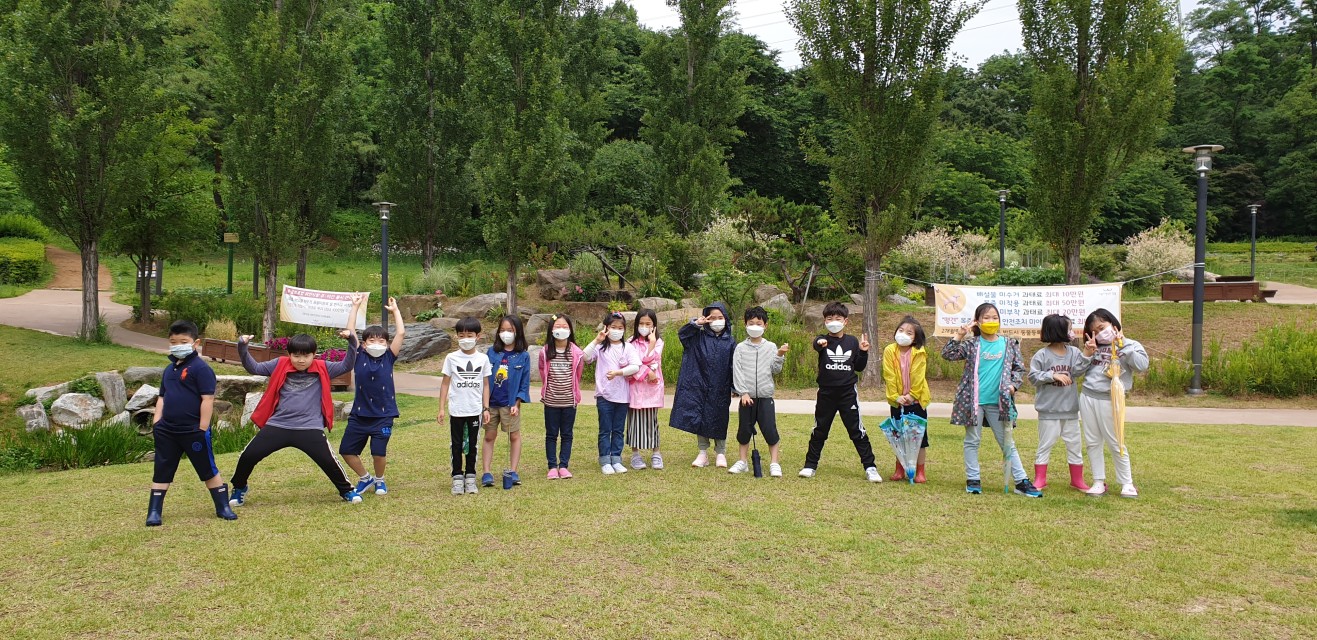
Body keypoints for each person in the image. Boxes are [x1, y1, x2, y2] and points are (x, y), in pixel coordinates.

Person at [229, 294, 366, 507]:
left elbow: (347, 365)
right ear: (289, 354)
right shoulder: (279, 364)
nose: (301, 360)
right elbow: (254, 368)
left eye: (306, 355)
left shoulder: (323, 367)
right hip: (279, 424)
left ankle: (346, 490)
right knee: (248, 456)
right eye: (296, 355)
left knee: (328, 461)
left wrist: (351, 341)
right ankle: (239, 488)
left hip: (309, 427)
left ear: (314, 354)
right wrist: (242, 348)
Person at [943, 302, 1043, 497]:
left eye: (994, 317)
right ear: (978, 322)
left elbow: (1018, 368)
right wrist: (960, 335)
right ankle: (973, 480)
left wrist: (1013, 385)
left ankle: (1021, 481)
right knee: (972, 440)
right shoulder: (972, 344)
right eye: (986, 318)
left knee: (1007, 442)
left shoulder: (1009, 344)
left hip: (999, 402)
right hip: (973, 402)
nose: (991, 321)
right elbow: (948, 354)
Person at [144, 320, 236, 526]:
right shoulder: (169, 370)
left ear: (195, 343)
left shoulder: (201, 369)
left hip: (193, 431)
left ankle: (223, 506)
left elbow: (207, 399)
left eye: (183, 341)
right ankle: (154, 511)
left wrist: (202, 428)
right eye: (173, 342)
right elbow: (162, 397)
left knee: (207, 468)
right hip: (167, 431)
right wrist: (157, 422)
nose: (178, 345)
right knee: (162, 468)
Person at [800, 301, 881, 482]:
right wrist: (820, 342)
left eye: (838, 318)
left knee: (857, 430)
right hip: (826, 393)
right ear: (824, 321)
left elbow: (858, 367)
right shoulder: (822, 339)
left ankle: (870, 467)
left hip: (847, 393)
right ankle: (810, 465)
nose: (833, 322)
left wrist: (863, 352)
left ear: (845, 321)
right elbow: (816, 344)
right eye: (829, 319)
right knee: (819, 430)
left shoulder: (852, 341)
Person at [1079, 308, 1148, 498]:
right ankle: (1098, 481)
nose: (1100, 333)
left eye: (1102, 327)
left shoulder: (1131, 344)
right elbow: (1076, 371)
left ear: (1113, 323)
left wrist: (1123, 346)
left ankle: (1127, 483)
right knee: (1092, 441)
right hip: (1088, 396)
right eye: (1095, 331)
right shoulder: (1093, 346)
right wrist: (1086, 353)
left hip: (1111, 399)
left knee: (1116, 441)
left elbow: (1142, 366)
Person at [340, 297, 405, 498]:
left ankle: (379, 480)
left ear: (387, 344)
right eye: (372, 340)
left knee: (378, 452)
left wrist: (395, 310)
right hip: (359, 415)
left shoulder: (389, 357)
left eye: (381, 341)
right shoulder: (359, 355)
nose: (377, 344)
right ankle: (365, 478)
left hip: (384, 415)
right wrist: (355, 306)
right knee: (346, 450)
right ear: (364, 343)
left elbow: (401, 333)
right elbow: (351, 331)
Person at [1028, 313, 1091, 491]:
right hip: (1049, 411)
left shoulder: (1074, 353)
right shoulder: (1041, 355)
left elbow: (1077, 371)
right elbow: (1033, 377)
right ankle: (1040, 479)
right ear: (1058, 331)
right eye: (1069, 329)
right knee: (1045, 444)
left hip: (1070, 411)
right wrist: (1052, 375)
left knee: (1074, 445)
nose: (1072, 332)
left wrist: (1086, 355)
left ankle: (1077, 479)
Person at [670, 302, 736, 468]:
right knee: (700, 417)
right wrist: (695, 324)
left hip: (721, 387)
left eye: (720, 317)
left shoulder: (730, 342)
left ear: (726, 319)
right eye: (712, 318)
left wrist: (735, 387)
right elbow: (683, 335)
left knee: (720, 418)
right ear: (706, 319)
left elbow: (735, 366)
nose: (716, 321)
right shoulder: (697, 337)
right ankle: (702, 453)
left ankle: (720, 452)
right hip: (699, 385)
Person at [729, 306, 788, 477]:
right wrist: (743, 392)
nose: (755, 326)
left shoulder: (770, 347)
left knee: (770, 429)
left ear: (765, 326)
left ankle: (774, 463)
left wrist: (779, 355)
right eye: (751, 323)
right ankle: (743, 461)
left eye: (758, 323)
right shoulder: (740, 348)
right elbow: (737, 371)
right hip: (746, 398)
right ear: (745, 324)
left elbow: (776, 370)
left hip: (765, 396)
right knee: (744, 430)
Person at [582, 312, 641, 475]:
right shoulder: (600, 347)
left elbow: (636, 366)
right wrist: (597, 340)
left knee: (618, 430)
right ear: (606, 328)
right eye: (613, 327)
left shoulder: (628, 347)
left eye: (620, 328)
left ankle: (616, 459)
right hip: (604, 396)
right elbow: (584, 357)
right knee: (605, 429)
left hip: (622, 396)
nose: (617, 330)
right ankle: (605, 461)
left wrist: (618, 373)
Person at [439, 317, 491, 495]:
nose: (465, 339)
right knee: (456, 444)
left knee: (472, 445)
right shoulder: (451, 358)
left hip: (475, 410)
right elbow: (445, 384)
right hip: (457, 410)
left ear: (478, 336)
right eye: (461, 335)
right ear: (456, 336)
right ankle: (457, 478)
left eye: (470, 335)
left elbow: (485, 385)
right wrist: (441, 408)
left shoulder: (483, 359)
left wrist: (486, 408)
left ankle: (470, 477)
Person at [482, 315, 531, 490]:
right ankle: (486, 472)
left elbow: (524, 383)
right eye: (502, 330)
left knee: (514, 436)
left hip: (510, 404)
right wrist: (485, 406)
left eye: (510, 330)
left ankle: (513, 471)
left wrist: (517, 403)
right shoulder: (491, 352)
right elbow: (484, 379)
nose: (506, 333)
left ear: (517, 332)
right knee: (489, 436)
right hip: (491, 403)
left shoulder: (523, 356)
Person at [882, 315, 930, 483]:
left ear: (915, 338)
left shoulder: (919, 352)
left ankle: (920, 471)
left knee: (919, 438)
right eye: (901, 330)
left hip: (916, 402)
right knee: (899, 436)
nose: (903, 334)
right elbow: (889, 375)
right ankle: (899, 469)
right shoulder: (889, 350)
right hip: (897, 402)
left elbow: (919, 376)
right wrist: (896, 397)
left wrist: (912, 395)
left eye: (909, 333)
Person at [538, 314, 583, 479]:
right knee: (551, 435)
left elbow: (578, 375)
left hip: (569, 401)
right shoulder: (545, 352)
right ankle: (552, 466)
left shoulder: (576, 352)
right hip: (551, 401)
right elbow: (543, 372)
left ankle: (563, 465)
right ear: (551, 329)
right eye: (558, 326)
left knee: (567, 434)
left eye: (565, 327)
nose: (561, 330)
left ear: (570, 330)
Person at [626, 309, 665, 470]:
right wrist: (647, 371)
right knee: (634, 422)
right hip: (635, 387)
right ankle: (635, 455)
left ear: (654, 326)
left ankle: (656, 453)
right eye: (641, 323)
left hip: (651, 389)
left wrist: (652, 343)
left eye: (648, 324)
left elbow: (651, 360)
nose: (644, 326)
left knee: (652, 421)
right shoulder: (630, 342)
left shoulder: (658, 342)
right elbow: (632, 363)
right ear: (636, 324)